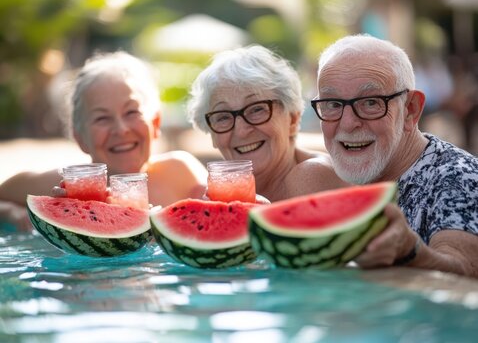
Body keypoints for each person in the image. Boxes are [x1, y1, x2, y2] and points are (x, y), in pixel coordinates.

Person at [311, 34, 478, 277]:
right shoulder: (338, 180)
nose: (348, 123)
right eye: (333, 104)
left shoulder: (459, 176)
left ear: (411, 109)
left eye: (370, 102)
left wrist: (411, 252)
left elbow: (464, 271)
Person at [0, 51, 207, 231]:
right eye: (102, 118)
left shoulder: (181, 173)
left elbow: (227, 209)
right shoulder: (56, 186)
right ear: (80, 138)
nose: (121, 129)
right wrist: (10, 212)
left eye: (131, 112)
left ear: (155, 123)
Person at [187, 45, 348, 202]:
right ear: (213, 135)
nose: (241, 131)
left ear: (292, 119)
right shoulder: (211, 192)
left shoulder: (311, 175)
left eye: (257, 109)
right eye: (223, 117)